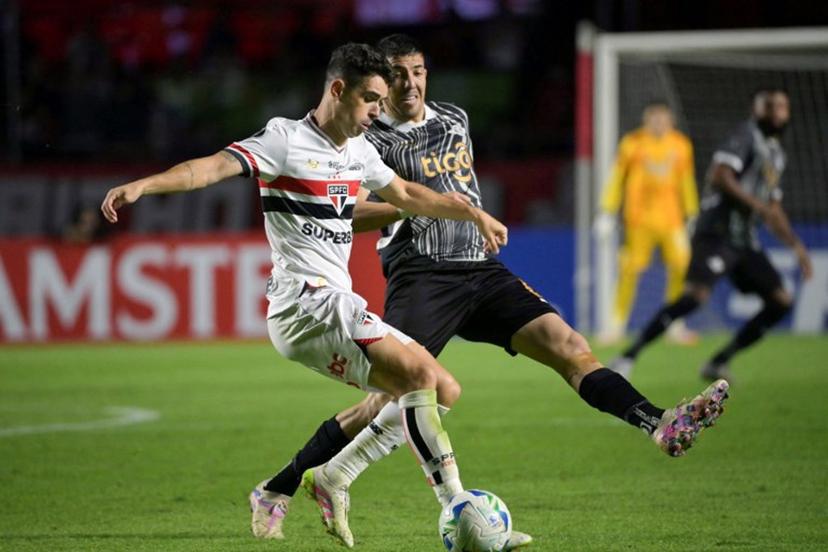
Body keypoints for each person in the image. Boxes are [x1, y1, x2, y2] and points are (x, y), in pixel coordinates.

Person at [251, 34, 730, 549]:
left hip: (480, 270)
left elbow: (464, 186)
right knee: (392, 396)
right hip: (421, 274)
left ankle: (658, 423)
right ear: (378, 85)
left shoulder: (454, 118)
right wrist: (412, 207)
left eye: (418, 71)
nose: (409, 83)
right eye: (397, 75)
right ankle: (288, 483)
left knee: (570, 347)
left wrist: (471, 215)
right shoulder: (368, 141)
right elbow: (347, 209)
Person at [100, 43, 511, 548]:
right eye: (370, 100)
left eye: (381, 102)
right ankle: (459, 506)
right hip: (306, 302)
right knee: (422, 377)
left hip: (333, 304)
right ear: (337, 90)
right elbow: (208, 168)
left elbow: (406, 194)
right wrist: (144, 185)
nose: (377, 113)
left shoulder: (358, 151)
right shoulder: (285, 140)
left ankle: (307, 482)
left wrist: (470, 212)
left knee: (440, 390)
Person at [610, 89, 813, 382]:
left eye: (783, 107)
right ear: (757, 110)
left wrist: (797, 248)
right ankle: (627, 356)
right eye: (771, 107)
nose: (778, 113)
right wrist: (756, 206)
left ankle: (719, 361)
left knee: (781, 300)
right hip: (716, 233)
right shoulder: (745, 135)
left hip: (744, 241)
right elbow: (719, 174)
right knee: (696, 296)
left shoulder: (776, 154)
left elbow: (774, 209)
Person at [594, 101, 700, 345]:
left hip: (672, 221)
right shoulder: (632, 144)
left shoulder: (681, 145)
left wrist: (693, 213)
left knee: (682, 266)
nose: (658, 123)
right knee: (630, 269)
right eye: (653, 118)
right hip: (639, 220)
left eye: (662, 118)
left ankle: (675, 324)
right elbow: (617, 178)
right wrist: (607, 211)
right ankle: (615, 326)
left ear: (670, 120)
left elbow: (686, 181)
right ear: (646, 120)